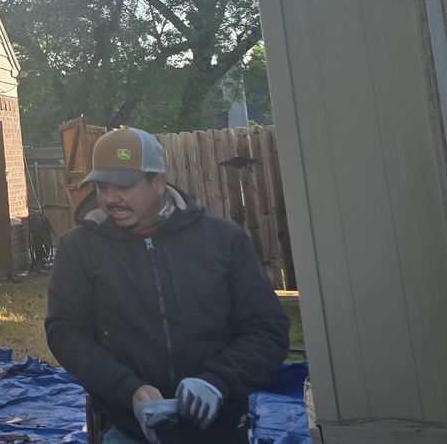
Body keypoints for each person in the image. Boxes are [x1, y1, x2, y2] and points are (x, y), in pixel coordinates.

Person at [45, 127, 289, 443]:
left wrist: (218, 381)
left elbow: (267, 329)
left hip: (221, 428)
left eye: (124, 186)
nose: (110, 199)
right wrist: (128, 390)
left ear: (158, 182)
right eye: (103, 187)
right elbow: (66, 333)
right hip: (127, 427)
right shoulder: (79, 248)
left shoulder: (224, 240)